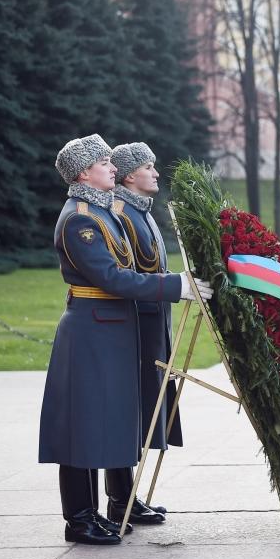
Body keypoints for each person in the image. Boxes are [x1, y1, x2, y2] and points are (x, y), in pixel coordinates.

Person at [39, 134, 213, 546]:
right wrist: (176, 287)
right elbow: (113, 278)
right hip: (91, 331)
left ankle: (103, 509)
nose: (112, 167)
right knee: (82, 426)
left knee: (108, 421)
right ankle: (79, 519)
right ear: (84, 172)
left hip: (111, 331)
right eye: (104, 162)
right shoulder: (81, 218)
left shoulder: (101, 211)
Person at [108, 142, 182, 525]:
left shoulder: (141, 212)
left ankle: (126, 496)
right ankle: (120, 500)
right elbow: (129, 277)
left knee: (142, 410)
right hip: (136, 324)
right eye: (148, 168)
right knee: (131, 410)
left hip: (154, 321)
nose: (155, 173)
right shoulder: (121, 213)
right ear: (129, 175)